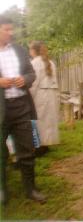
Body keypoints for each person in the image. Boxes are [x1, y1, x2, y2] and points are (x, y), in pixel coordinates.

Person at [0, 13, 46, 205]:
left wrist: (24, 80)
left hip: (21, 107)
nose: (11, 33)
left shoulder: (19, 50)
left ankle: (31, 189)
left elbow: (31, 73)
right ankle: (2, 191)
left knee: (27, 150)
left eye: (11, 29)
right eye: (6, 29)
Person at [28, 41, 60, 156]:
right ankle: (46, 144)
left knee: (40, 120)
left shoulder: (35, 63)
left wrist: (29, 97)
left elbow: (34, 82)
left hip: (41, 94)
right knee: (49, 120)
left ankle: (40, 146)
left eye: (30, 49)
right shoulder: (50, 62)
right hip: (52, 93)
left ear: (34, 50)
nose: (29, 52)